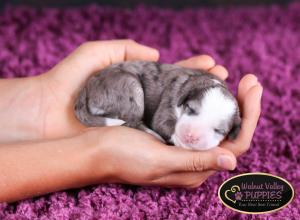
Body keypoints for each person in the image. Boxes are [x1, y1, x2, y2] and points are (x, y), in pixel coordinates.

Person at [0, 40, 262, 202]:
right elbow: (162, 123)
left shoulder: (203, 99)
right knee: (135, 98)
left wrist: (39, 105)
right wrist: (96, 157)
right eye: (192, 112)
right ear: (183, 101)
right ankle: (129, 123)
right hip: (117, 87)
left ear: (232, 130)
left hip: (114, 94)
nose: (194, 134)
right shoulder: (180, 92)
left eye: (217, 130)